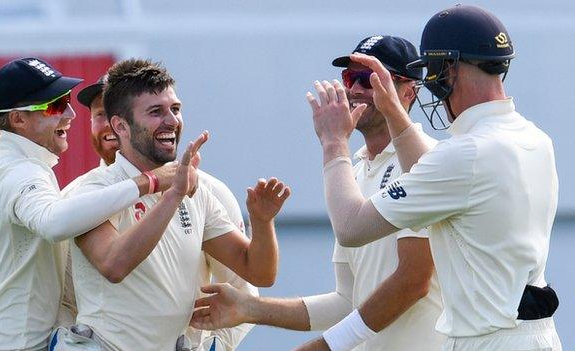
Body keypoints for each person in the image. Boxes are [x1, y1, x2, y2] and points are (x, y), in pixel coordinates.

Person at [306, 5, 561, 351]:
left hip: (485, 341)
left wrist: (334, 142)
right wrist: (394, 109)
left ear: (448, 68)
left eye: (433, 70)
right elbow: (434, 176)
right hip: (536, 337)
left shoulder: (465, 154)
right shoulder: (534, 139)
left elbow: (352, 229)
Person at [190, 36, 445, 351]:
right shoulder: (353, 171)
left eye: (369, 79)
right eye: (349, 78)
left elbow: (413, 281)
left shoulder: (426, 162)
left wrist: (326, 346)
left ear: (410, 91)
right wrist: (251, 309)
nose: (354, 90)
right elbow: (347, 301)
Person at [57, 58, 290, 351]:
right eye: (156, 112)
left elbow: (258, 273)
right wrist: (173, 194)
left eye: (175, 109)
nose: (171, 121)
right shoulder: (93, 190)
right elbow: (114, 264)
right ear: (121, 126)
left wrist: (263, 221)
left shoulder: (199, 190)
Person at [0, 58, 185, 350]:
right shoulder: (16, 170)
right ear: (18, 119)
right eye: (54, 106)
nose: (69, 114)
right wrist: (149, 182)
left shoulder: (18, 164)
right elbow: (54, 223)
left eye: (66, 101)